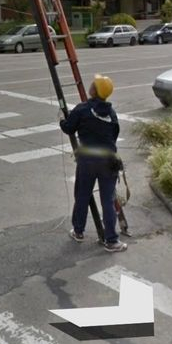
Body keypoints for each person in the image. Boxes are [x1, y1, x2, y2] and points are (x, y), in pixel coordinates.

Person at [59, 74, 127, 253]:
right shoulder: (111, 114)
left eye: (93, 84)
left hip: (87, 161)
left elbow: (68, 128)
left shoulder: (82, 109)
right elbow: (113, 135)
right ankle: (112, 240)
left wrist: (62, 120)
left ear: (94, 90)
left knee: (82, 195)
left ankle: (79, 231)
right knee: (108, 200)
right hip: (108, 162)